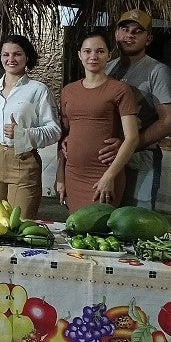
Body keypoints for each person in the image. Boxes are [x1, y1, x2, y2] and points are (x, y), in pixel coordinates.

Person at [96, 9, 171, 210]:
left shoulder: (157, 71)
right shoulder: (107, 67)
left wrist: (128, 145)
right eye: (125, 29)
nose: (130, 35)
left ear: (148, 38)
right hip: (106, 157)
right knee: (102, 216)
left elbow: (170, 120)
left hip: (139, 159)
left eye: (137, 31)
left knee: (133, 222)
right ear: (116, 34)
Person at [0, 34, 60, 219]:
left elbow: (54, 131)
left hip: (22, 159)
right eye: (5, 54)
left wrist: (23, 134)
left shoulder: (38, 90)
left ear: (27, 57)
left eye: (17, 54)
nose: (10, 59)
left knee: (20, 223)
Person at [56, 31, 139, 213]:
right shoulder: (68, 91)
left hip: (104, 172)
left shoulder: (120, 89)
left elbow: (132, 138)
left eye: (100, 51)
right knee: (76, 231)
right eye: (87, 51)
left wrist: (109, 177)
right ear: (79, 55)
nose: (93, 56)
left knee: (100, 232)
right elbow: (64, 136)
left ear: (109, 55)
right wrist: (60, 177)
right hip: (73, 174)